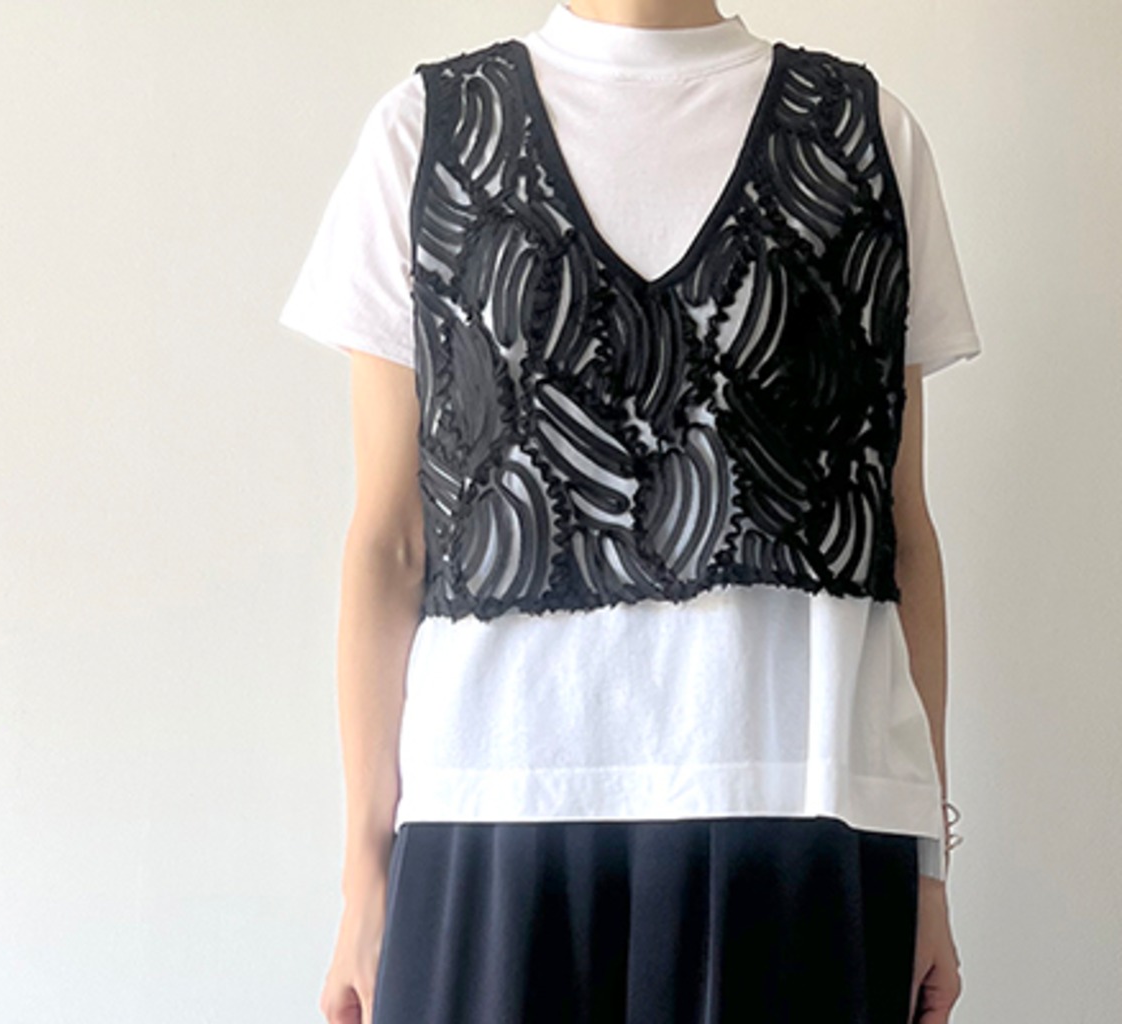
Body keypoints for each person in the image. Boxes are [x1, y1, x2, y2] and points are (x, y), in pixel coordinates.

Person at [280, 2, 979, 1021]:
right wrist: (362, 874)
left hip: (801, 809)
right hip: (492, 806)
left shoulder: (864, 134)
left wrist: (928, 867)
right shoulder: (425, 132)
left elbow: (899, 534)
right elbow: (390, 543)